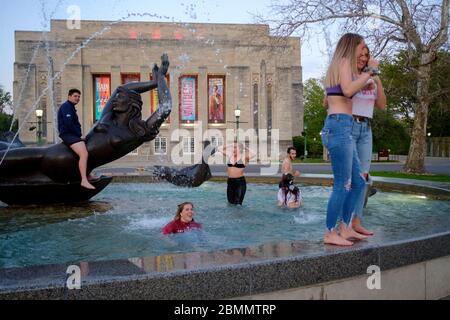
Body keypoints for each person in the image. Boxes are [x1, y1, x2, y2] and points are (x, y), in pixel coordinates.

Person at [321, 33, 378, 246]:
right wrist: (371, 71)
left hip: (343, 125)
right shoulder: (343, 61)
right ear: (351, 46)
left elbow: (339, 93)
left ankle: (345, 228)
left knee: (358, 181)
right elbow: (347, 90)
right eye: (361, 47)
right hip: (338, 127)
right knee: (342, 184)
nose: (363, 52)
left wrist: (365, 82)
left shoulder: (342, 66)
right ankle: (329, 232)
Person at [349, 45, 386, 236]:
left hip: (366, 128)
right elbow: (341, 97)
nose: (363, 58)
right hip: (349, 125)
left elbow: (382, 105)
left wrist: (376, 79)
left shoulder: (373, 75)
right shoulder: (348, 74)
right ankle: (344, 223)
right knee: (348, 178)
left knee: (363, 178)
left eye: (366, 55)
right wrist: (364, 81)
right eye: (360, 55)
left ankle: (357, 221)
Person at [57, 89, 95, 190]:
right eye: (75, 96)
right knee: (84, 154)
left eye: (78, 96)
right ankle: (84, 180)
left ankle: (87, 174)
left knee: (87, 150)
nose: (77, 98)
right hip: (68, 135)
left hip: (72, 135)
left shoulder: (71, 107)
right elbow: (68, 123)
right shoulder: (66, 106)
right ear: (69, 96)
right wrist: (79, 136)